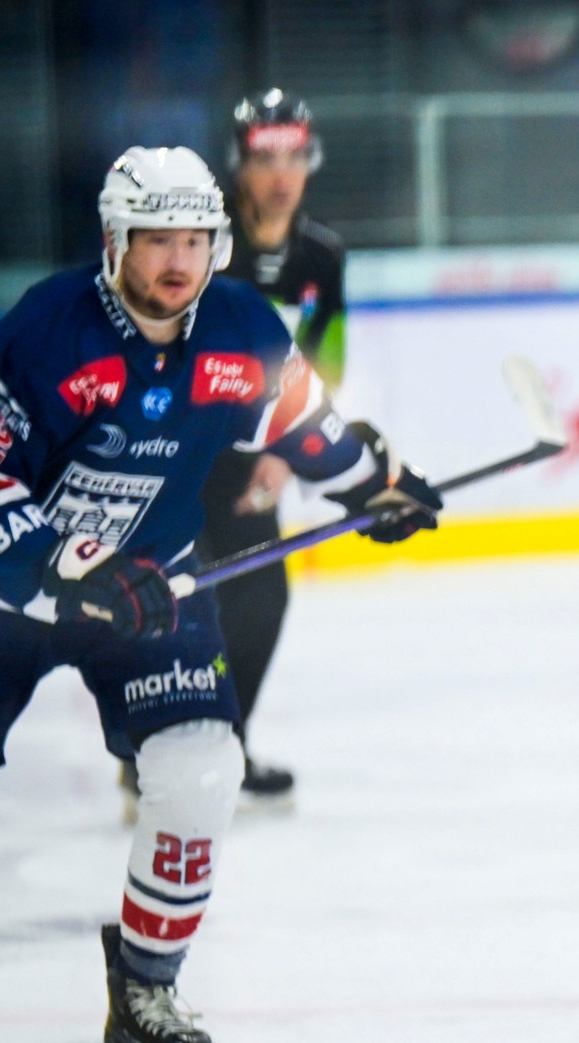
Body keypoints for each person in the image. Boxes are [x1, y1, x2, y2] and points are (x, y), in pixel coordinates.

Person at [0, 146, 441, 1043]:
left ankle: (146, 998)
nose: (178, 260)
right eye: (157, 237)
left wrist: (380, 488)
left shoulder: (239, 326)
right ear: (116, 240)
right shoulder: (45, 330)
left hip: (151, 594)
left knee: (203, 767)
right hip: (12, 600)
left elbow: (306, 429)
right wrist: (70, 568)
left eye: (196, 238)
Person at [202, 88, 349, 807]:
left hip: (259, 462)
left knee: (260, 597)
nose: (280, 173)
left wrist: (288, 452)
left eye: (293, 155)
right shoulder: (203, 247)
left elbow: (327, 362)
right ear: (240, 165)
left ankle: (227, 746)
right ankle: (149, 749)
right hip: (181, 457)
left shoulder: (321, 257)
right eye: (265, 156)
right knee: (176, 604)